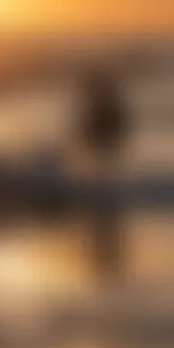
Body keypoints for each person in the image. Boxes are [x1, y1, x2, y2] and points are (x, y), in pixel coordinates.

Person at [75, 64, 131, 286]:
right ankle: (102, 195)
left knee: (103, 170)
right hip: (104, 138)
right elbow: (101, 122)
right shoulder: (102, 100)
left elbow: (114, 122)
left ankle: (102, 196)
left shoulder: (104, 100)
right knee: (103, 171)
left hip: (105, 138)